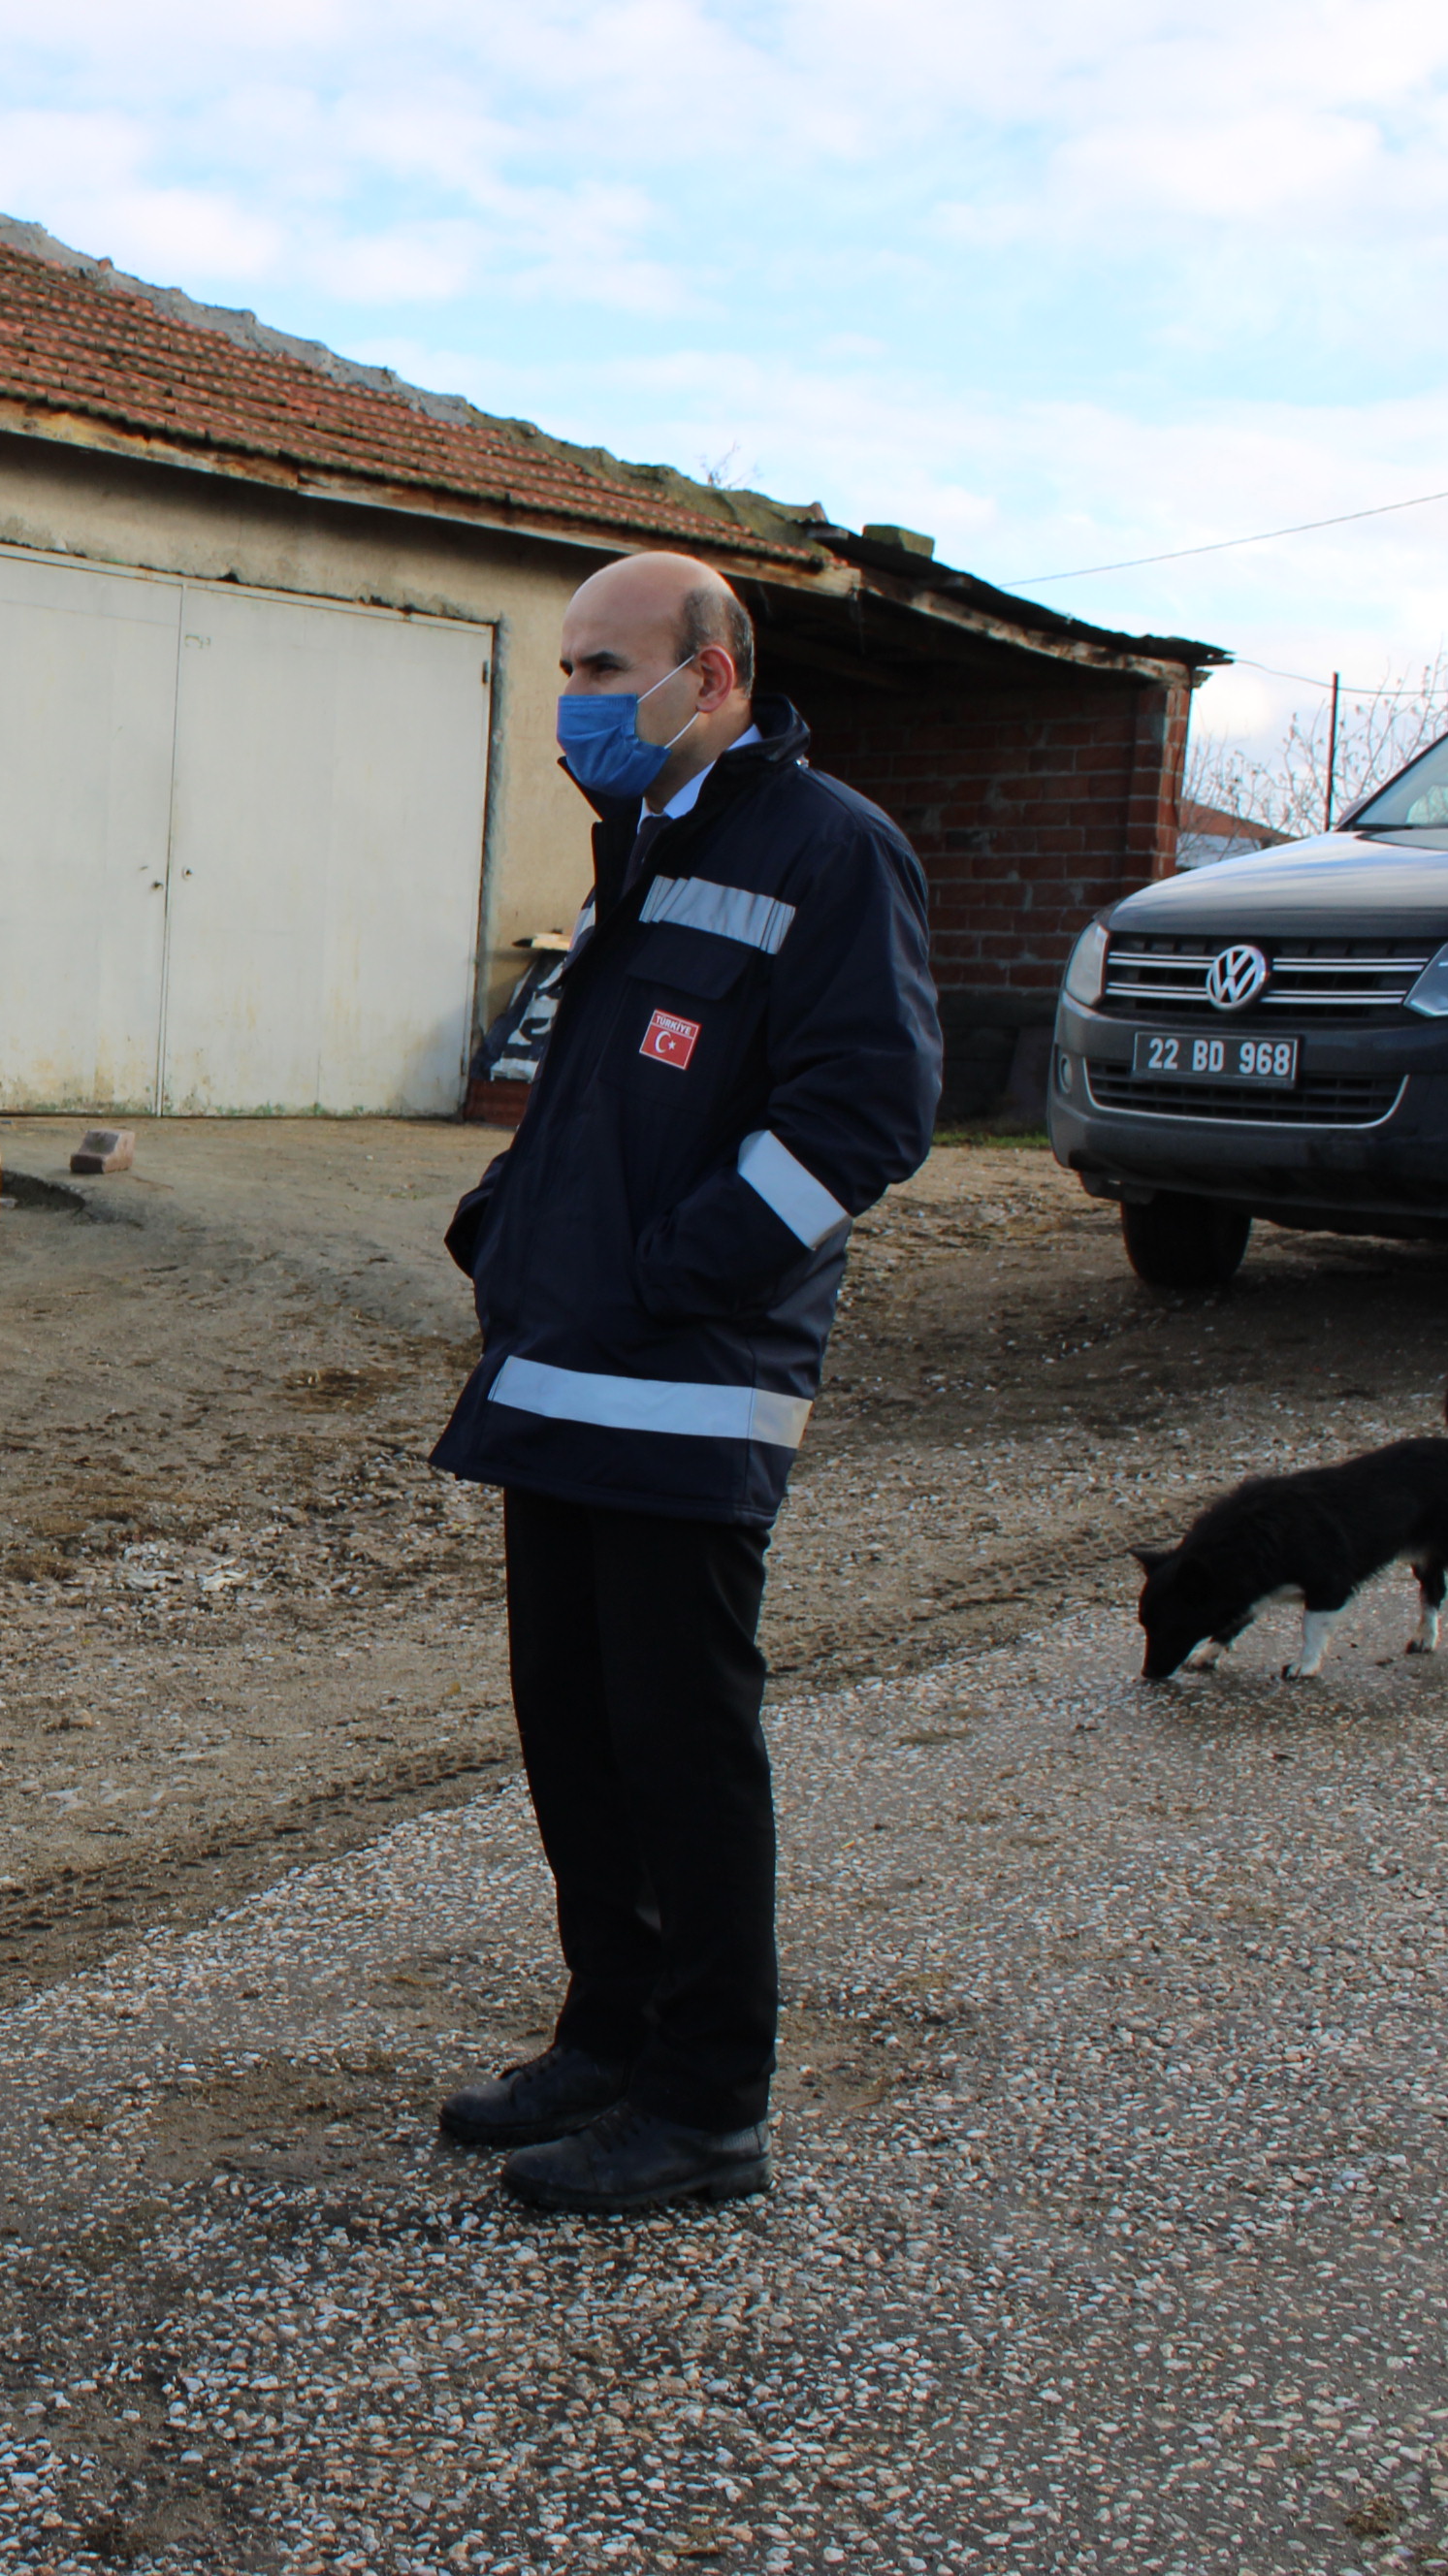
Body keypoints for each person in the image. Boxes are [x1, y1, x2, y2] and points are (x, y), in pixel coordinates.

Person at [428, 550, 940, 2215]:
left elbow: (863, 1119)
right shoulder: (643, 847)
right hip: (563, 1368)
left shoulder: (830, 851)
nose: (577, 700)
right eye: (567, 668)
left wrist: (676, 1273)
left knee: (680, 1748)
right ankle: (611, 2033)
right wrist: (508, 1227)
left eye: (604, 667)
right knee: (574, 1734)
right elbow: (595, 1087)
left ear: (710, 677)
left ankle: (708, 2105)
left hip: (686, 1386)